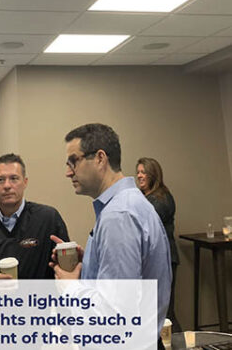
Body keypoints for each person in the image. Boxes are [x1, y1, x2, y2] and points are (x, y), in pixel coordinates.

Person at [53, 123, 171, 337]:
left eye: (73, 162)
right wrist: (91, 262)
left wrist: (70, 287)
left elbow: (114, 314)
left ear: (100, 158)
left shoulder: (119, 216)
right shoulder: (128, 204)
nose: (68, 173)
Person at [0, 153, 69, 279]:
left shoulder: (48, 220)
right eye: (0, 180)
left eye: (14, 178)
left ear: (25, 182)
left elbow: (66, 270)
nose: (7, 185)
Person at [136, 157, 181, 332]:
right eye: (138, 172)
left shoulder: (161, 199)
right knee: (156, 312)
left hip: (164, 260)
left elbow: (143, 226)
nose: (139, 176)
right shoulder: (145, 198)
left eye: (143, 172)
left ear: (153, 175)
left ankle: (177, 342)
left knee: (165, 313)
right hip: (153, 260)